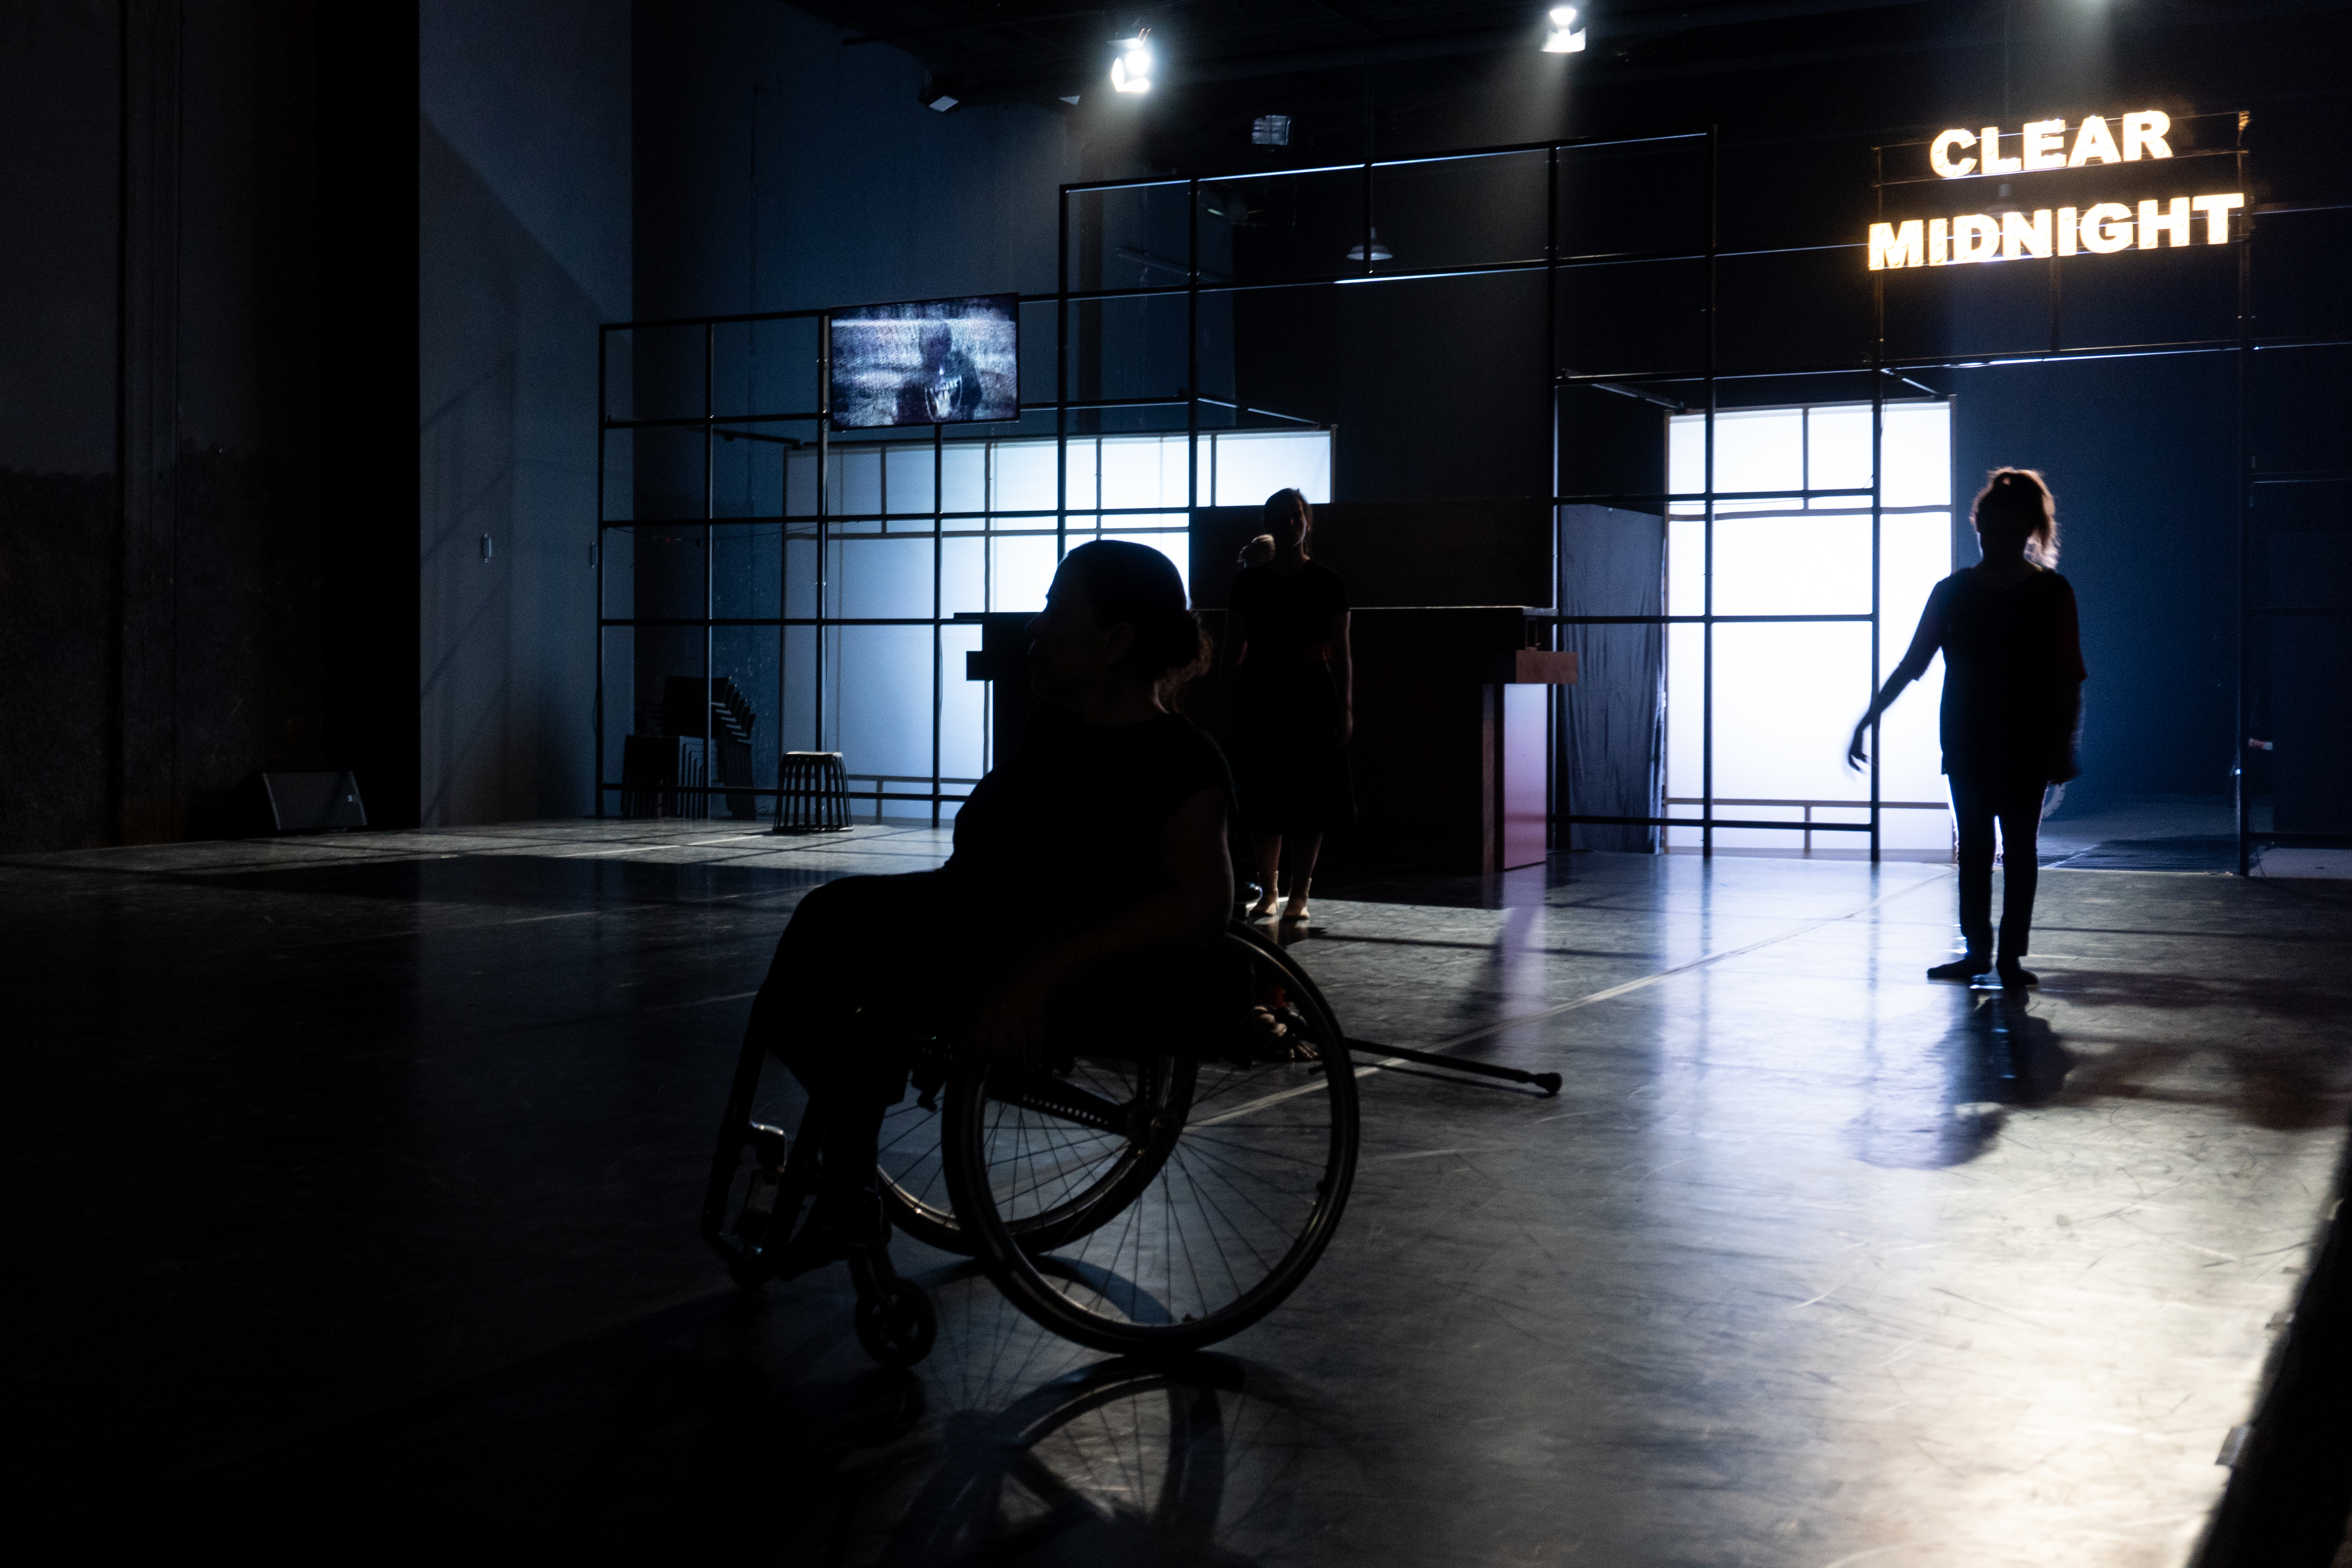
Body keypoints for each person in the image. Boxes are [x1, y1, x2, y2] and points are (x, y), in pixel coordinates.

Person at [739, 540, 1234, 1258]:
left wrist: (1045, 968)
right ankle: (849, 1164)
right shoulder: (1053, 730)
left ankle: (848, 1177)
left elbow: (1202, 905)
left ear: (1117, 641)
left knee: (861, 966)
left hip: (1036, 956)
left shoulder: (1184, 763)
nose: (1035, 628)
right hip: (977, 920)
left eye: (1055, 610)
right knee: (822, 939)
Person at [1849, 468, 2086, 988]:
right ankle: (1983, 952)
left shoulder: (2050, 593)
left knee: (2017, 849)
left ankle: (2004, 956)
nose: (1996, 541)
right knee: (1980, 848)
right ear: (1978, 528)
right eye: (1989, 531)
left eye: (2006, 532)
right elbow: (1914, 662)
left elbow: (2069, 676)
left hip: (2019, 741)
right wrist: (1869, 717)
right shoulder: (1954, 591)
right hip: (1969, 739)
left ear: (2027, 532)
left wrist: (2064, 745)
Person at [1226, 488, 1355, 925]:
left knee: (1308, 794)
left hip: (1308, 691)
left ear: (1307, 522)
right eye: (1279, 516)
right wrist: (1228, 698)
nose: (1287, 524)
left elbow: (1341, 650)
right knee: (1263, 794)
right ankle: (1270, 889)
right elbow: (1232, 647)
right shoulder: (1249, 583)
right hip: (1261, 690)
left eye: (1294, 515)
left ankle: (1299, 893)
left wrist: (1345, 707)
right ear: (1268, 521)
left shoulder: (1326, 581)